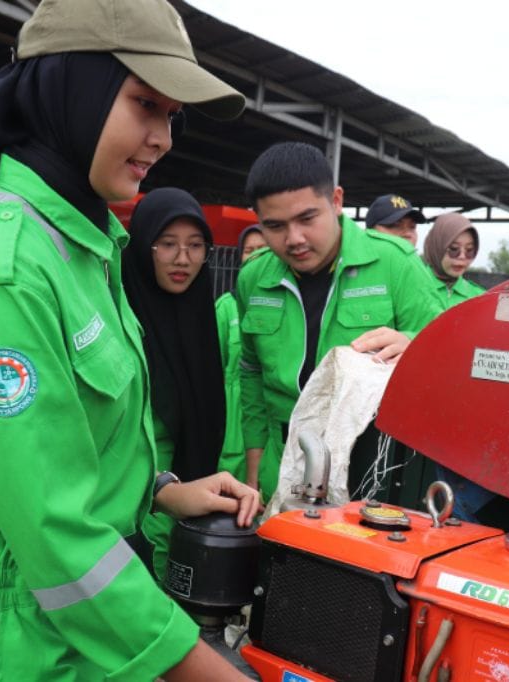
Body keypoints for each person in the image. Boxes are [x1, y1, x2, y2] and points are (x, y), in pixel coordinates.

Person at [0, 1, 260, 680]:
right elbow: (53, 532)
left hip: (75, 625)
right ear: (74, 91)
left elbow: (75, 443)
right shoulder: (6, 272)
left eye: (172, 116)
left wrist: (161, 488)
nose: (163, 138)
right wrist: (206, 671)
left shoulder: (85, 246)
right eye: (145, 104)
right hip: (13, 643)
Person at [237, 142, 444, 500]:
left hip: (370, 468)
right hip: (282, 463)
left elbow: (448, 355)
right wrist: (254, 468)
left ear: (335, 201)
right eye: (275, 226)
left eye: (307, 219)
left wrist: (415, 345)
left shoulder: (395, 264)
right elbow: (251, 374)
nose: (294, 239)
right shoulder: (253, 278)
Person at [123, 187, 227, 581]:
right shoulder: (117, 317)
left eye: (195, 245)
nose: (182, 258)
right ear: (142, 246)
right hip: (130, 506)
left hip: (193, 499)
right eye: (167, 244)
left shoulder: (201, 317)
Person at [215, 224, 266, 483]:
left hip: (272, 420)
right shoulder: (226, 307)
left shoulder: (285, 304)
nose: (255, 255)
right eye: (249, 250)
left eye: (263, 249)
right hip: (234, 426)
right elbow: (214, 368)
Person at [422, 212, 487, 307]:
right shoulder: (410, 289)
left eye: (469, 250)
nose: (462, 256)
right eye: (454, 249)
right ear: (436, 247)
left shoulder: (481, 298)